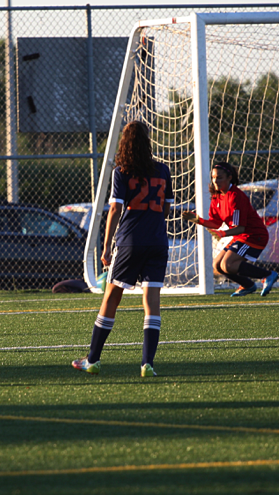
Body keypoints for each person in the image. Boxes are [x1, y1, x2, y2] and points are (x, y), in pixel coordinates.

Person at [72, 120, 173, 378]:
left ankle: (92, 359)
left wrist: (106, 246)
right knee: (152, 302)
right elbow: (166, 208)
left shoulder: (122, 172)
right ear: (147, 142)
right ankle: (147, 364)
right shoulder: (163, 170)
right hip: (158, 241)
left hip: (130, 241)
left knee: (111, 297)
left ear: (124, 143)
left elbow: (115, 208)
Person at [181, 162, 279, 297]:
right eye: (213, 177)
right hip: (241, 236)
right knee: (217, 265)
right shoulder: (217, 196)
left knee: (228, 265)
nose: (215, 181)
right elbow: (216, 223)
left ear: (229, 178)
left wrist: (222, 233)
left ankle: (267, 275)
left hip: (254, 236)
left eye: (219, 177)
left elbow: (240, 228)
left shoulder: (235, 196)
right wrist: (198, 220)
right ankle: (248, 285)